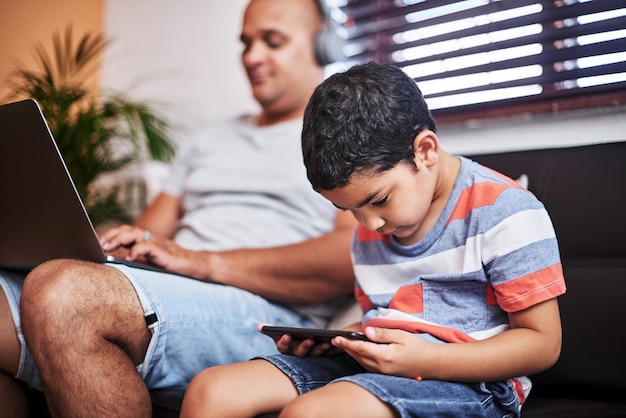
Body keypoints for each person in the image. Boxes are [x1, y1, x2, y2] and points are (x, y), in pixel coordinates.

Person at [0, 0, 357, 417]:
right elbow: (149, 233)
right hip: (177, 287)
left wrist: (201, 261)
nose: (252, 56)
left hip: (267, 310)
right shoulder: (209, 138)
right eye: (246, 43)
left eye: (272, 41)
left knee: (64, 294)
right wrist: (123, 240)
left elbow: (346, 257)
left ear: (324, 46)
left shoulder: (343, 138)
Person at [179, 62, 567, 418]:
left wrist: (423, 362)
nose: (370, 223)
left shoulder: (504, 210)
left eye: (379, 200)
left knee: (313, 414)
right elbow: (382, 315)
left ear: (425, 151)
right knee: (211, 390)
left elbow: (542, 344)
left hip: (468, 382)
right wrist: (340, 339)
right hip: (383, 363)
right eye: (349, 210)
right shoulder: (373, 222)